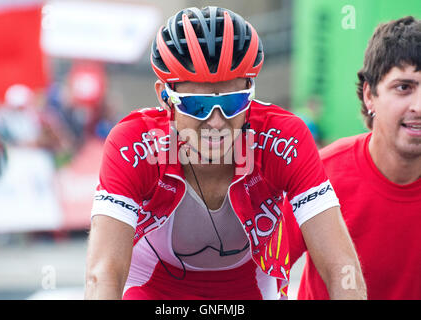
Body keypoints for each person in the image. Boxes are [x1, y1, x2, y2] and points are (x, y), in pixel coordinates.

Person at [84, 6, 366, 300]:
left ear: (251, 90)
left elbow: (341, 267)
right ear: (164, 97)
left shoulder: (283, 139)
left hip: (250, 287)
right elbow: (103, 273)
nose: (216, 122)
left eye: (233, 103)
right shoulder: (134, 143)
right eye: (197, 105)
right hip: (154, 289)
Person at [290, 16, 421, 300]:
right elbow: (253, 271)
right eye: (404, 87)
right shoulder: (320, 176)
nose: (419, 106)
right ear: (369, 95)